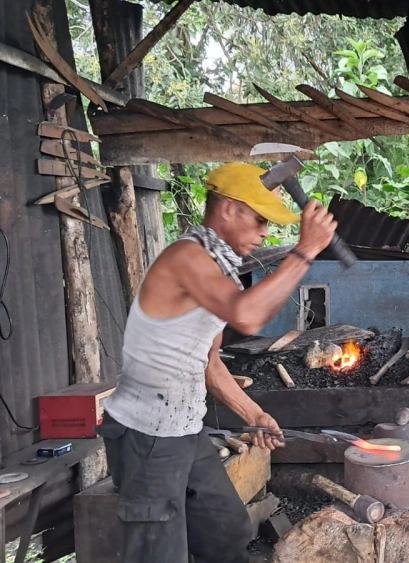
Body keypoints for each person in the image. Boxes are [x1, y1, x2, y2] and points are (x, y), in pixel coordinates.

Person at [99, 162, 337, 563]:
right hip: (147, 437)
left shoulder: (218, 270)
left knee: (227, 531)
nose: (264, 231)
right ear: (228, 209)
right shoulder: (186, 258)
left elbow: (208, 361)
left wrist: (254, 413)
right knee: (159, 555)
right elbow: (246, 316)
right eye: (259, 219)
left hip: (185, 430)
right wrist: (305, 251)